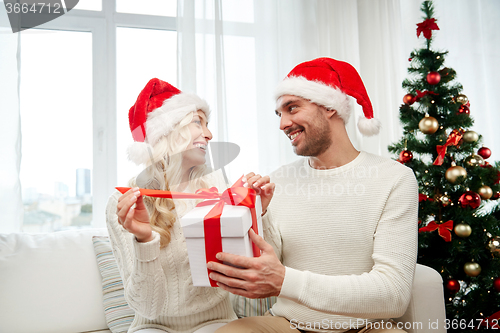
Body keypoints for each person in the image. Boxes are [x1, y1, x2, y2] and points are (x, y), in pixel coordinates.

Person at [209, 58, 419, 333]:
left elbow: (394, 294)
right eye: (279, 114)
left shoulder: (394, 179)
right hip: (288, 325)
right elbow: (268, 265)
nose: (283, 123)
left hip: (366, 328)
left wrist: (286, 281)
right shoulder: (279, 179)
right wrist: (259, 215)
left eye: (292, 108)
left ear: (330, 107)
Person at [105, 78, 274, 333]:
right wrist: (144, 240)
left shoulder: (218, 186)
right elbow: (148, 308)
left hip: (215, 321)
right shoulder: (124, 203)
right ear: (168, 132)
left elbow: (260, 272)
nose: (209, 134)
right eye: (198, 122)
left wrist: (257, 212)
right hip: (152, 325)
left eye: (208, 124)